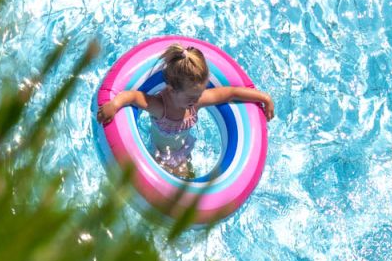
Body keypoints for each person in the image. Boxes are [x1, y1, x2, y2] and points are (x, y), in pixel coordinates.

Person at [96, 44, 275, 178]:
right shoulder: (160, 106)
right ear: (172, 90)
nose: (197, 100)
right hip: (160, 155)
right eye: (191, 97)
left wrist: (264, 97)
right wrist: (114, 104)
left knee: (189, 181)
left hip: (184, 149)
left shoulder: (196, 101)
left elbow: (230, 93)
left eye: (199, 94)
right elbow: (133, 96)